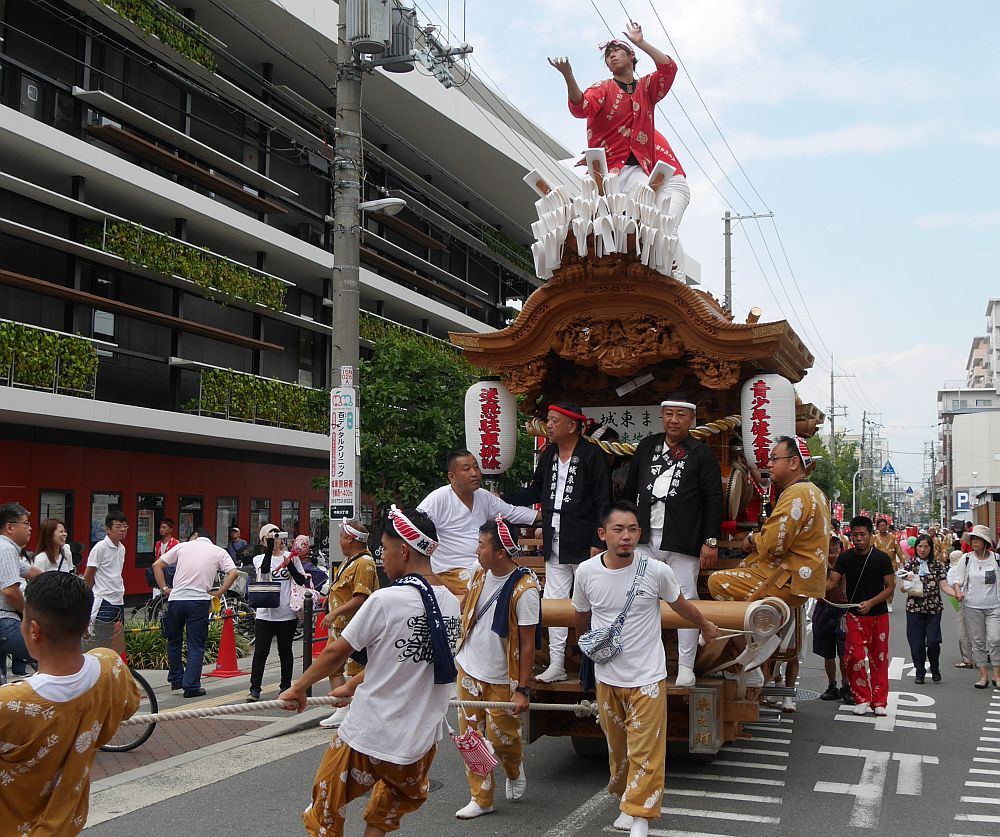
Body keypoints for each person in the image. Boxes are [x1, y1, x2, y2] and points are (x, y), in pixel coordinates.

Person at [279, 506, 461, 837]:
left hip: (370, 735)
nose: (383, 559)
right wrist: (351, 686)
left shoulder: (387, 600)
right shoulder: (450, 602)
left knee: (325, 805)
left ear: (403, 550)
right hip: (419, 741)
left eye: (386, 550)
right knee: (385, 810)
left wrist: (299, 687)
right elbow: (407, 659)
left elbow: (337, 651)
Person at [573, 501, 718, 837]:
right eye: (618, 529)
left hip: (648, 677)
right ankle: (627, 797)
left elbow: (681, 605)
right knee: (618, 748)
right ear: (603, 534)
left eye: (632, 529)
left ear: (640, 533)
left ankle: (640, 815)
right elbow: (581, 615)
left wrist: (705, 624)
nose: (626, 536)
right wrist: (588, 648)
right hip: (607, 676)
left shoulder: (656, 570)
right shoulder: (586, 572)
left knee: (647, 748)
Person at [0, 571, 140, 835]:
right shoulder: (110, 667)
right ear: (86, 626)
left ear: (33, 630)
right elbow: (129, 705)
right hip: (68, 826)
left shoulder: (9, 704)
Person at [549, 21, 689, 277]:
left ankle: (671, 279)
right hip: (606, 175)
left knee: (654, 220)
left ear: (631, 56)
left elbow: (669, 69)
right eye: (608, 54)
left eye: (617, 51)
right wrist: (568, 75)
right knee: (591, 230)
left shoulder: (646, 89)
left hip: (637, 171)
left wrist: (641, 42)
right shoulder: (602, 88)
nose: (611, 55)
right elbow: (581, 107)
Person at [505, 401, 612, 683]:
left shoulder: (592, 455)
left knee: (594, 602)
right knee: (554, 602)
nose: (549, 426)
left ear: (572, 426)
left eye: (554, 421)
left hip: (585, 539)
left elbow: (604, 500)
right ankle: (556, 663)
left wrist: (599, 539)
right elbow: (537, 491)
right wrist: (503, 499)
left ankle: (598, 664)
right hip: (555, 539)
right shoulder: (550, 454)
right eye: (549, 420)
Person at [624, 394, 722, 687]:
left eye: (681, 415)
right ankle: (641, 663)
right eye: (669, 414)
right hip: (645, 538)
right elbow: (630, 490)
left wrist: (711, 541)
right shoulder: (647, 447)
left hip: (683, 538)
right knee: (640, 598)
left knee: (686, 599)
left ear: (692, 419)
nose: (674, 420)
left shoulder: (701, 453)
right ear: (662, 416)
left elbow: (713, 499)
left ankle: (686, 667)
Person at [453, 517, 540, 819]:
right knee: (470, 737)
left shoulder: (525, 589)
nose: (477, 550)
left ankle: (513, 768)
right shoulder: (479, 572)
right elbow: (468, 606)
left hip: (503, 677)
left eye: (482, 545)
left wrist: (523, 689)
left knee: (503, 739)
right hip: (469, 667)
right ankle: (481, 797)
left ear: (500, 552)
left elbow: (528, 645)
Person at [708, 436, 829, 607]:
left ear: (794, 463)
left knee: (717, 582)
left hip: (787, 581)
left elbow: (774, 543)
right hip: (798, 580)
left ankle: (754, 624)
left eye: (774, 459)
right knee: (745, 565)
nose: (769, 464)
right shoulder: (815, 492)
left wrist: (752, 539)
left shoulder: (796, 493)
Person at [418, 450, 538, 599]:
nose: (474, 473)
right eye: (466, 469)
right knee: (483, 595)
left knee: (522, 588)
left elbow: (511, 512)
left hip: (487, 566)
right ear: (452, 477)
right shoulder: (438, 498)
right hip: (452, 570)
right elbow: (416, 524)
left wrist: (548, 515)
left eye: (476, 467)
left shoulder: (483, 496)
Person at [153, 525, 241, 698]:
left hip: (176, 599)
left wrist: (164, 589)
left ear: (195, 535)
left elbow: (157, 565)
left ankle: (176, 679)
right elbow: (234, 572)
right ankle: (191, 686)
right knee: (196, 644)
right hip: (198, 601)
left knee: (174, 640)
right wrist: (219, 592)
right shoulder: (218, 551)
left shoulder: (182, 546)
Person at [827, 516, 895, 716]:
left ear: (871, 535)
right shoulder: (845, 558)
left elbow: (890, 587)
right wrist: (810, 588)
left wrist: (871, 602)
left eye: (862, 534)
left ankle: (879, 701)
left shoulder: (882, 558)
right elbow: (832, 582)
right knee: (854, 656)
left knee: (879, 658)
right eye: (855, 535)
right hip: (854, 614)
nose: (858, 539)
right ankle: (862, 697)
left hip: (878, 615)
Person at [318, 519, 379, 729]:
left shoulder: (364, 563)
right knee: (333, 667)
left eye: (342, 537)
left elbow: (361, 598)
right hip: (342, 627)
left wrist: (334, 612)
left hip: (355, 627)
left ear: (351, 539)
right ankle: (343, 710)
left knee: (355, 670)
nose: (339, 541)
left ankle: (354, 711)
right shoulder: (351, 560)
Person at [246, 524, 307, 702]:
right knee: (260, 653)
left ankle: (285, 687)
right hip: (265, 614)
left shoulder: (291, 556)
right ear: (263, 540)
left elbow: (301, 580)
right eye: (269, 536)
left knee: (285, 651)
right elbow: (265, 571)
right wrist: (269, 550)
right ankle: (255, 689)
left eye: (277, 535)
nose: (274, 539)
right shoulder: (259, 558)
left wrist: (290, 565)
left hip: (286, 613)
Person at [900, 533, 956, 685]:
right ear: (916, 547)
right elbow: (902, 589)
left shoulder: (937, 565)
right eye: (920, 546)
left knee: (933, 641)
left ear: (931, 548)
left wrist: (956, 594)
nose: (922, 549)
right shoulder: (910, 566)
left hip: (933, 608)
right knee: (916, 643)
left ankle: (935, 668)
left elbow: (944, 586)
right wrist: (909, 581)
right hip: (914, 609)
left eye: (926, 546)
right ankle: (920, 672)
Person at [952, 524, 1000, 689]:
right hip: (972, 606)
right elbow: (957, 581)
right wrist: (958, 592)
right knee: (978, 641)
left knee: (995, 639)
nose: (974, 541)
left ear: (985, 542)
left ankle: (996, 674)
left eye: (978, 539)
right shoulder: (966, 559)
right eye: (972, 538)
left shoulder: (996, 559)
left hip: (994, 606)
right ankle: (983, 675)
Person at [0, 503, 41, 683]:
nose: (30, 528)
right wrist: (28, 614)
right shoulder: (6, 548)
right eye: (26, 523)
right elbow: (10, 591)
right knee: (45, 652)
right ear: (10, 527)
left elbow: (30, 571)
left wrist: (58, 581)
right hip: (4, 620)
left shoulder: (6, 548)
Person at [812, 535, 852, 703]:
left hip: (843, 609)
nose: (832, 547)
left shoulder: (847, 564)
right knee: (827, 652)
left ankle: (846, 686)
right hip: (823, 609)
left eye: (835, 544)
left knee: (844, 652)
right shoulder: (817, 564)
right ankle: (832, 685)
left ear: (841, 548)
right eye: (828, 544)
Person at [83, 511, 128, 654]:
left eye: (125, 526)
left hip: (118, 597)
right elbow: (89, 574)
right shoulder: (100, 547)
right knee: (102, 639)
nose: (122, 529)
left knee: (117, 638)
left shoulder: (122, 548)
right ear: (108, 530)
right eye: (118, 526)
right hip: (104, 599)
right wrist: (86, 597)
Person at [946, 548, 974, 667]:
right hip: (980, 600)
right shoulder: (971, 565)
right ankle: (985, 654)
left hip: (961, 599)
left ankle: (967, 659)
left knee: (964, 630)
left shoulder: (952, 570)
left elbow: (950, 583)